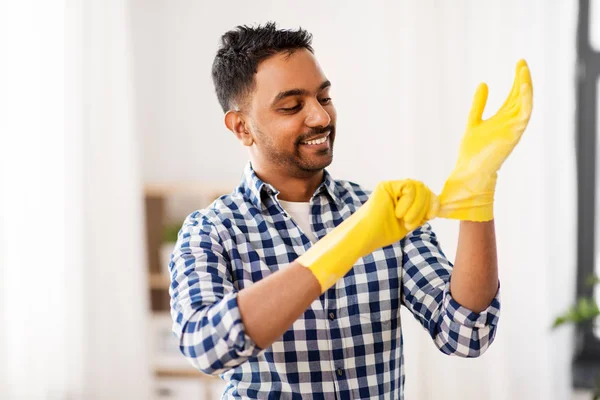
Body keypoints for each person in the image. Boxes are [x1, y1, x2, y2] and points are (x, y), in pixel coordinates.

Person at [169, 22, 533, 399]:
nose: (321, 118)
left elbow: (467, 333)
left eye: (324, 98)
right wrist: (349, 242)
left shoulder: (387, 213)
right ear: (241, 126)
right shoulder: (211, 231)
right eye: (292, 106)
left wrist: (476, 196)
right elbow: (205, 347)